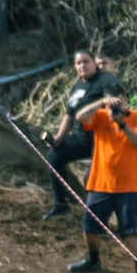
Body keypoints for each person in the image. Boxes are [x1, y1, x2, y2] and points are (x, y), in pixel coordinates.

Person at [67, 94, 137, 273]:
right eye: (113, 102)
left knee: (133, 233)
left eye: (120, 101)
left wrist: (123, 124)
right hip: (101, 183)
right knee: (89, 226)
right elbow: (80, 117)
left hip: (131, 185)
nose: (115, 106)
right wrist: (100, 102)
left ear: (127, 101)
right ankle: (93, 260)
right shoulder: (100, 116)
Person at [41, 51, 125, 218]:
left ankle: (102, 216)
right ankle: (61, 204)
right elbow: (69, 115)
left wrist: (107, 103)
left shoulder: (106, 79)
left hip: (103, 139)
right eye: (78, 63)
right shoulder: (77, 85)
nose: (82, 66)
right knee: (54, 156)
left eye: (86, 62)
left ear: (94, 63)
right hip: (82, 138)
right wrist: (58, 138)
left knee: (91, 177)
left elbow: (114, 101)